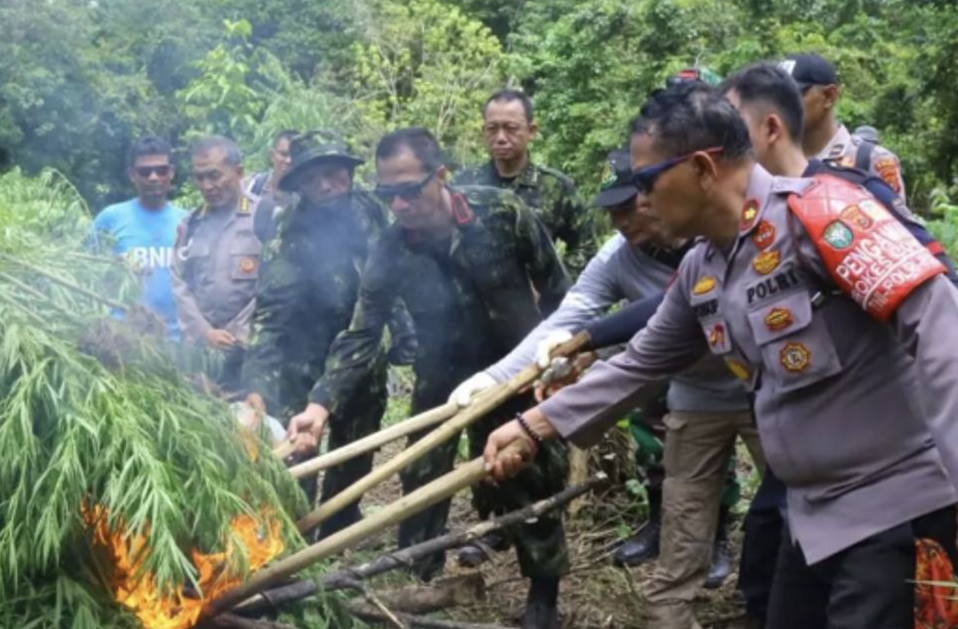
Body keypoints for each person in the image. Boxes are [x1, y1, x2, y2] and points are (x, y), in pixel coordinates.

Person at [483, 81, 958, 629]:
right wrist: (534, 424)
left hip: (895, 512)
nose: (640, 200)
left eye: (646, 181)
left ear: (704, 169)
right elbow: (641, 362)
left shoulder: (824, 214)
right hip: (811, 522)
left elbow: (941, 330)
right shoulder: (703, 268)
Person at [450, 149, 759, 627]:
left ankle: (772, 596)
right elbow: (572, 322)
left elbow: (653, 319)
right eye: (611, 212)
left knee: (790, 503)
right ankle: (673, 609)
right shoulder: (617, 258)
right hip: (694, 390)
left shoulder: (722, 232)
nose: (620, 222)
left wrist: (591, 347)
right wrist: (496, 379)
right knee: (684, 501)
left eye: (629, 207)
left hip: (763, 387)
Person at [286, 128, 571, 629]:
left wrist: (560, 360)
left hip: (519, 365)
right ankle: (417, 577)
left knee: (533, 472)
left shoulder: (503, 214)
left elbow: (558, 290)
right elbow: (361, 333)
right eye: (387, 195)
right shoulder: (391, 248)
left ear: (440, 176)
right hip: (443, 371)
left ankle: (543, 591)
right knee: (421, 473)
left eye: (409, 190)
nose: (399, 205)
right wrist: (318, 406)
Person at [720, 61, 958, 627]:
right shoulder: (738, 227)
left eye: (727, 128)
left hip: (889, 465)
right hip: (809, 463)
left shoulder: (845, 189)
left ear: (772, 125)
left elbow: (931, 289)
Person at [240, 130, 393, 539]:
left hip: (363, 351)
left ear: (348, 172)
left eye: (334, 173)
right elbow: (270, 313)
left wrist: (403, 330)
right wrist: (256, 385)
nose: (326, 185)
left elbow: (389, 276)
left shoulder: (371, 210)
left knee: (356, 447)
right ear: (300, 184)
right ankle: (298, 538)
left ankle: (339, 530)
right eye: (314, 177)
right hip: (302, 354)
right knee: (299, 450)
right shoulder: (286, 228)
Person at [454, 89, 596, 270]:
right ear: (484, 131)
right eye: (492, 129)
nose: (501, 138)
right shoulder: (463, 184)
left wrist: (553, 285)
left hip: (535, 295)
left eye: (511, 128)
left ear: (531, 131)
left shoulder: (556, 187)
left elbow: (585, 247)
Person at [170, 135, 262, 395]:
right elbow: (179, 283)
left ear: (238, 172)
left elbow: (273, 288)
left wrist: (235, 335)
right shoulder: (191, 225)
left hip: (251, 357)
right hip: (202, 358)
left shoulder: (265, 217)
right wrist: (205, 332)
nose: (207, 185)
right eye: (200, 178)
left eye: (214, 175)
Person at [91, 136, 188, 337]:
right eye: (145, 172)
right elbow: (86, 271)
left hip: (176, 339)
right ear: (132, 175)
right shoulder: (110, 219)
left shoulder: (187, 222)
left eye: (161, 170)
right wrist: (113, 266)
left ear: (171, 173)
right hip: (123, 338)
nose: (153, 177)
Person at [781, 53, 908, 198]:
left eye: (791, 96)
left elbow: (895, 220)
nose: (780, 106)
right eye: (775, 97)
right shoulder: (771, 161)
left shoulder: (873, 161)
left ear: (829, 96)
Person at [247, 129, 298, 244]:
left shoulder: (308, 192)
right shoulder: (252, 186)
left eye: (294, 155)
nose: (288, 160)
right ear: (272, 156)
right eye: (283, 154)